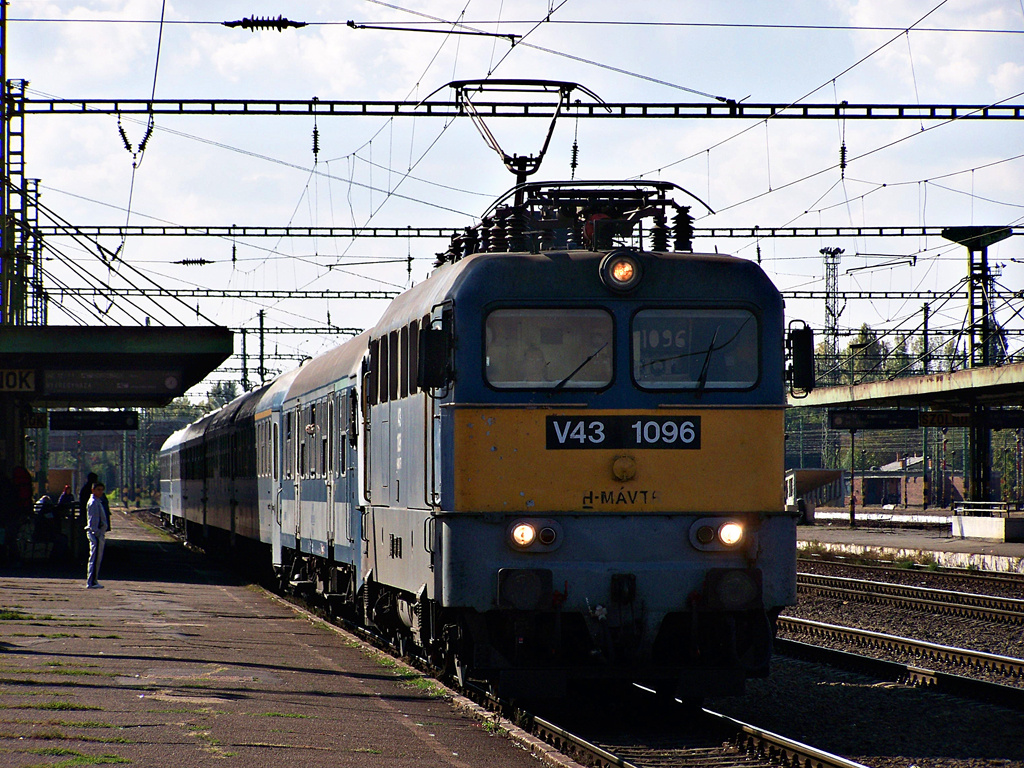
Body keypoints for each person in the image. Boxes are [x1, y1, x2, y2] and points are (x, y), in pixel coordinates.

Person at [85, 482, 109, 589]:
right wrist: (98, 533)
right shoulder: (94, 503)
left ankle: (93, 580)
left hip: (97, 533)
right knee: (95, 558)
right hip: (96, 534)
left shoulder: (97, 502)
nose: (100, 492)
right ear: (93, 490)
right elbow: (93, 520)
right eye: (98, 490)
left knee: (96, 558)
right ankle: (92, 582)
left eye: (101, 490)